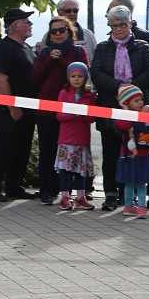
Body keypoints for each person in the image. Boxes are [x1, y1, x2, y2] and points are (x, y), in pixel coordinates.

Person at [89, 6, 149, 211]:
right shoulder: (102, 47)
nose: (118, 29)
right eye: (114, 25)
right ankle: (111, 195)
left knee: (143, 149)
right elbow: (97, 73)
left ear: (130, 24)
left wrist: (132, 89)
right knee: (111, 153)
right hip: (110, 105)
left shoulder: (142, 46)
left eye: (122, 25)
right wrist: (119, 87)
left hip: (138, 106)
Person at [31, 16, 89, 204]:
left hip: (71, 110)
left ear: (69, 32)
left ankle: (70, 190)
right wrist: (48, 59)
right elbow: (35, 78)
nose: (57, 34)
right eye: (53, 31)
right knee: (47, 150)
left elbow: (81, 74)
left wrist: (62, 60)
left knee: (73, 150)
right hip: (46, 109)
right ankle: (47, 190)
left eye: (61, 30)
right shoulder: (44, 52)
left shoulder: (78, 51)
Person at [0, 8, 38, 202]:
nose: (30, 24)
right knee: (4, 146)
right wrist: (12, 107)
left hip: (28, 107)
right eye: (26, 21)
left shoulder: (26, 47)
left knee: (22, 148)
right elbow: (0, 80)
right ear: (15, 26)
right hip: (9, 108)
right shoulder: (5, 48)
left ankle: (15, 186)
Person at [54, 62, 96, 211]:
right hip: (67, 139)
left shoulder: (89, 95)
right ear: (68, 77)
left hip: (82, 139)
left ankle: (80, 197)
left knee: (81, 170)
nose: (76, 79)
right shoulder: (64, 93)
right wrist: (75, 112)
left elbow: (92, 117)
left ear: (85, 78)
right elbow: (59, 115)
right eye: (73, 76)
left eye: (80, 76)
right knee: (65, 170)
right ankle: (65, 196)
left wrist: (83, 114)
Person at [115, 84, 149, 218]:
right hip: (129, 156)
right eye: (136, 100)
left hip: (143, 155)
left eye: (141, 100)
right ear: (126, 103)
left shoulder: (146, 117)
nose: (140, 103)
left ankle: (141, 207)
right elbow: (122, 125)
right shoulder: (128, 118)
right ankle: (129, 206)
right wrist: (125, 112)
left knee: (141, 184)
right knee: (129, 183)